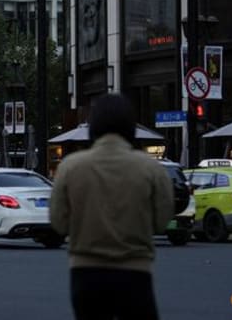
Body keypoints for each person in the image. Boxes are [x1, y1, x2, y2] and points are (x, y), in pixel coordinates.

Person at [50, 94, 174, 320]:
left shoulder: (71, 166)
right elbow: (162, 221)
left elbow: (58, 222)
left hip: (85, 272)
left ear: (94, 124)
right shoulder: (151, 169)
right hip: (135, 272)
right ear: (130, 126)